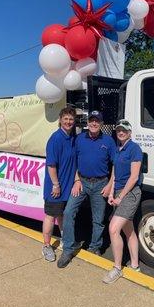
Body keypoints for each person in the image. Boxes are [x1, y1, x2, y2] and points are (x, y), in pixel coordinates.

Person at [57, 110, 116, 268]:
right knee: (68, 212)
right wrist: (76, 179)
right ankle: (68, 249)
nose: (94, 123)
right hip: (81, 182)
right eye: (91, 120)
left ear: (101, 124)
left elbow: (116, 164)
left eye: (97, 121)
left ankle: (94, 247)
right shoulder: (79, 139)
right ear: (87, 122)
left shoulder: (109, 141)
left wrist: (110, 185)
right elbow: (74, 161)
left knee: (98, 220)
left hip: (101, 184)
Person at [102, 119, 142, 284]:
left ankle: (117, 268)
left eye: (124, 130)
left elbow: (134, 177)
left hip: (130, 193)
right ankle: (135, 266)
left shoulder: (134, 149)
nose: (121, 132)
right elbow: (115, 174)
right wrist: (112, 193)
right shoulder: (118, 150)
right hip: (118, 192)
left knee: (113, 228)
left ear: (130, 133)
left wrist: (120, 197)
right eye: (118, 130)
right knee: (129, 230)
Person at [42, 107, 77, 262]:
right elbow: (51, 165)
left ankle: (64, 241)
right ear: (60, 120)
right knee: (50, 216)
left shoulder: (73, 138)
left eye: (71, 119)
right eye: (66, 119)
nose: (68, 122)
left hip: (68, 186)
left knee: (62, 215)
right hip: (56, 187)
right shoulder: (55, 138)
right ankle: (47, 246)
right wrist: (56, 185)